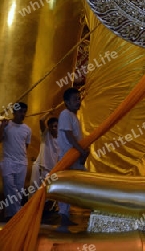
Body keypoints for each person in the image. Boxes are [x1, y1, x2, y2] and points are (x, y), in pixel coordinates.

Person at [56, 88, 89, 229]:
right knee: (66, 187)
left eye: (79, 98)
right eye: (75, 99)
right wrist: (81, 151)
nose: (78, 101)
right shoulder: (65, 114)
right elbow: (69, 135)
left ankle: (66, 216)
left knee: (72, 187)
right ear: (67, 102)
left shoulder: (74, 116)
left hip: (75, 157)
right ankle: (63, 217)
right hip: (68, 157)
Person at [0, 102, 31, 221]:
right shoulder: (6, 125)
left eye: (24, 112)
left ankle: (10, 214)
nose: (22, 114)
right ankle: (18, 213)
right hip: (7, 162)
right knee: (10, 187)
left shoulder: (27, 129)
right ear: (14, 113)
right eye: (20, 112)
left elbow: (26, 147)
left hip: (22, 163)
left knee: (18, 190)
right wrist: (2, 127)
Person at [29, 111, 59, 201]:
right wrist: (49, 113)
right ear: (49, 128)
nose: (55, 129)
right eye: (52, 127)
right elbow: (41, 121)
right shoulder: (46, 135)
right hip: (41, 167)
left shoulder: (62, 139)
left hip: (53, 170)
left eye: (56, 126)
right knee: (34, 188)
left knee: (49, 191)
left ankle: (45, 209)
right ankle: (31, 208)